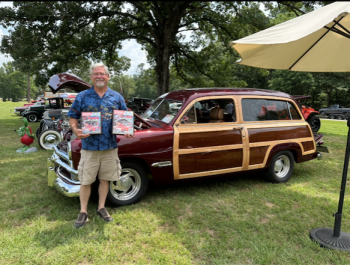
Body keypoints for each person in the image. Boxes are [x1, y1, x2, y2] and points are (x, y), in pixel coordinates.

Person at [67, 63, 134, 228]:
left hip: (110, 147)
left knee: (105, 179)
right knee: (86, 180)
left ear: (108, 76)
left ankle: (101, 208)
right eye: (96, 74)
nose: (99, 76)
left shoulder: (117, 97)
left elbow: (124, 117)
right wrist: (76, 130)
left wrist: (126, 130)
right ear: (91, 77)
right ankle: (83, 212)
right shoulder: (82, 96)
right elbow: (73, 117)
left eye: (102, 74)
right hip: (89, 147)